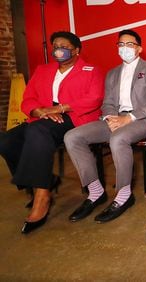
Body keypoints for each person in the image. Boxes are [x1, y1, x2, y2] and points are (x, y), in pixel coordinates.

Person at [0, 31, 104, 234]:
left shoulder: (91, 70)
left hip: (74, 117)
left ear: (76, 50)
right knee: (6, 140)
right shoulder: (43, 70)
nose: (58, 49)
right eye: (55, 45)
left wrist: (59, 109)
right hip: (43, 117)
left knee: (37, 131)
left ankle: (42, 194)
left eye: (64, 46)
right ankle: (44, 179)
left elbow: (95, 98)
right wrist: (39, 111)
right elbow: (28, 98)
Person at [64, 29, 146, 223]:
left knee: (118, 139)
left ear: (139, 48)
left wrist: (128, 119)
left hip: (143, 119)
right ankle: (95, 192)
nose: (124, 48)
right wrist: (110, 118)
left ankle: (124, 195)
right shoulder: (112, 73)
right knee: (72, 136)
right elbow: (108, 102)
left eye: (129, 44)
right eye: (121, 44)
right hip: (115, 119)